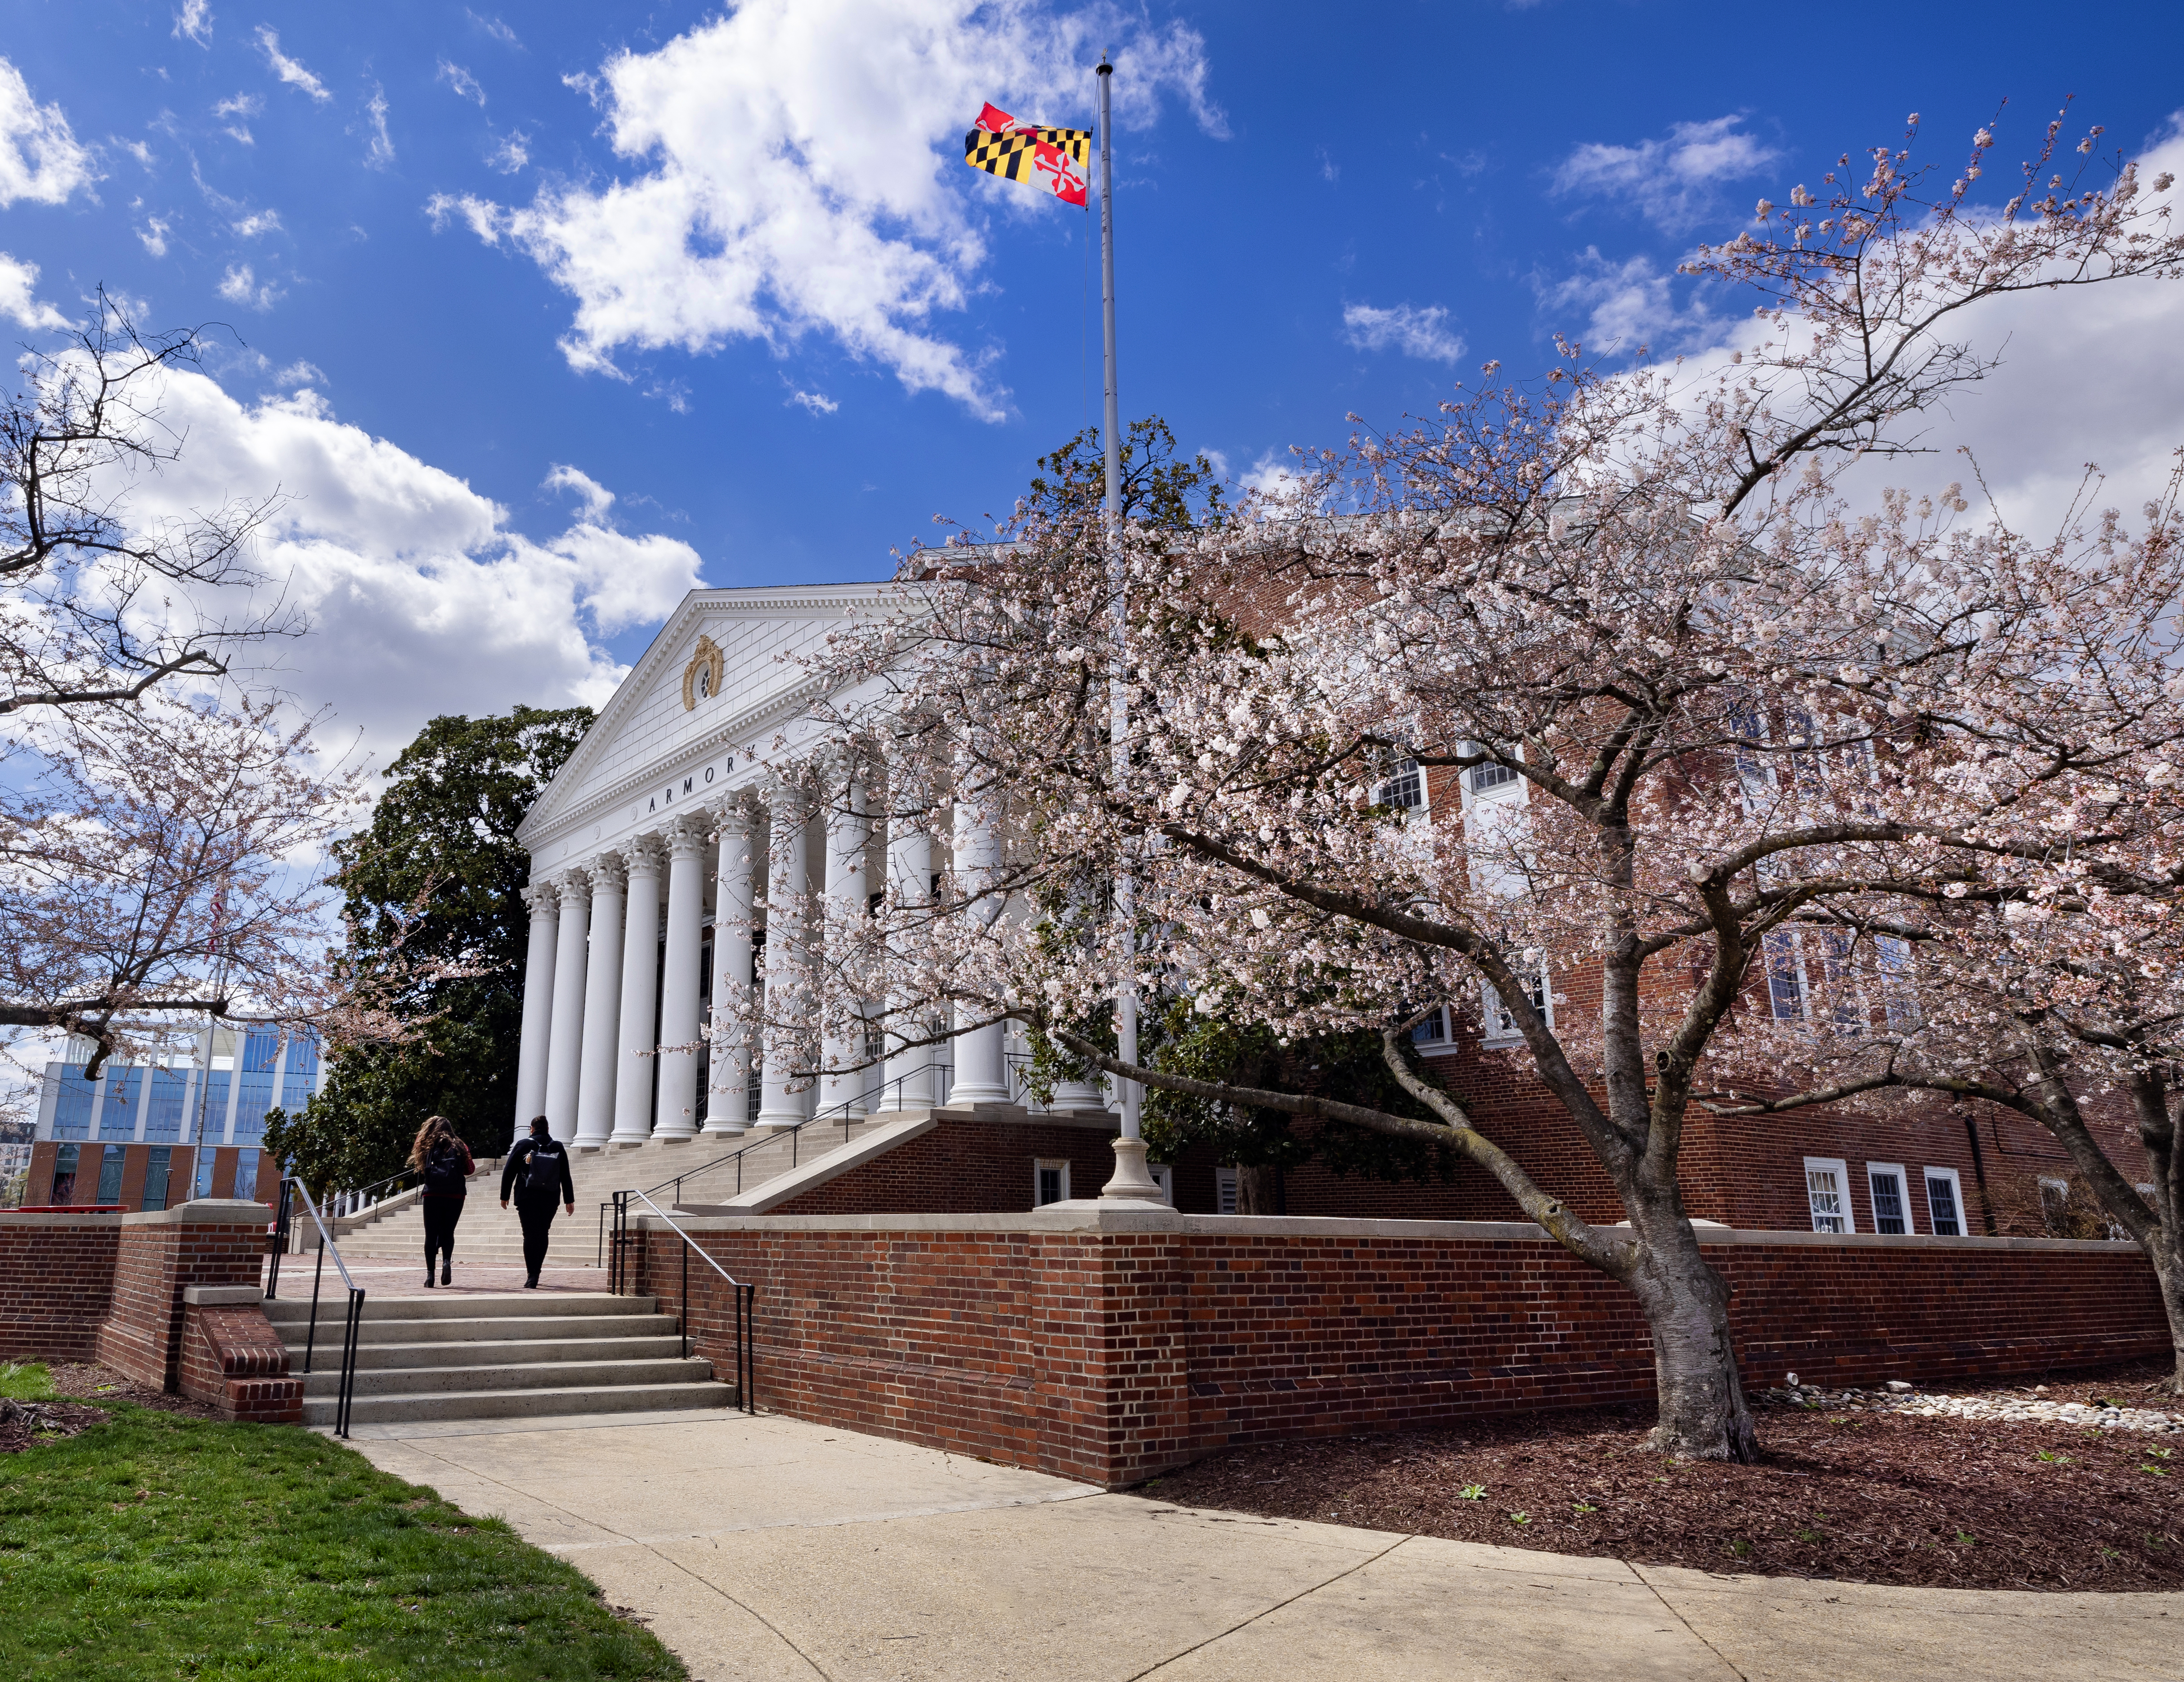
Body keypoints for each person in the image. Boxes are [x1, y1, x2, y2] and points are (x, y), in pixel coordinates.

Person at [500, 1115, 575, 1288]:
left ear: (532, 1129)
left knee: (530, 1234)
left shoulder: (524, 1145)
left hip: (527, 1196)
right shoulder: (557, 1146)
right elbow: (565, 1174)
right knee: (543, 1233)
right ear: (548, 1130)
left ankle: (531, 1275)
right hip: (550, 1196)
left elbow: (509, 1171)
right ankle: (537, 1272)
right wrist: (569, 1200)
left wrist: (505, 1195)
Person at [411, 1115, 475, 1289]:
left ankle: (430, 1275)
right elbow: (470, 1169)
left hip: (432, 1194)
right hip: (455, 1195)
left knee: (430, 1235)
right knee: (449, 1232)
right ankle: (446, 1262)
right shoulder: (460, 1145)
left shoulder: (426, 1144)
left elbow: (419, 1159)